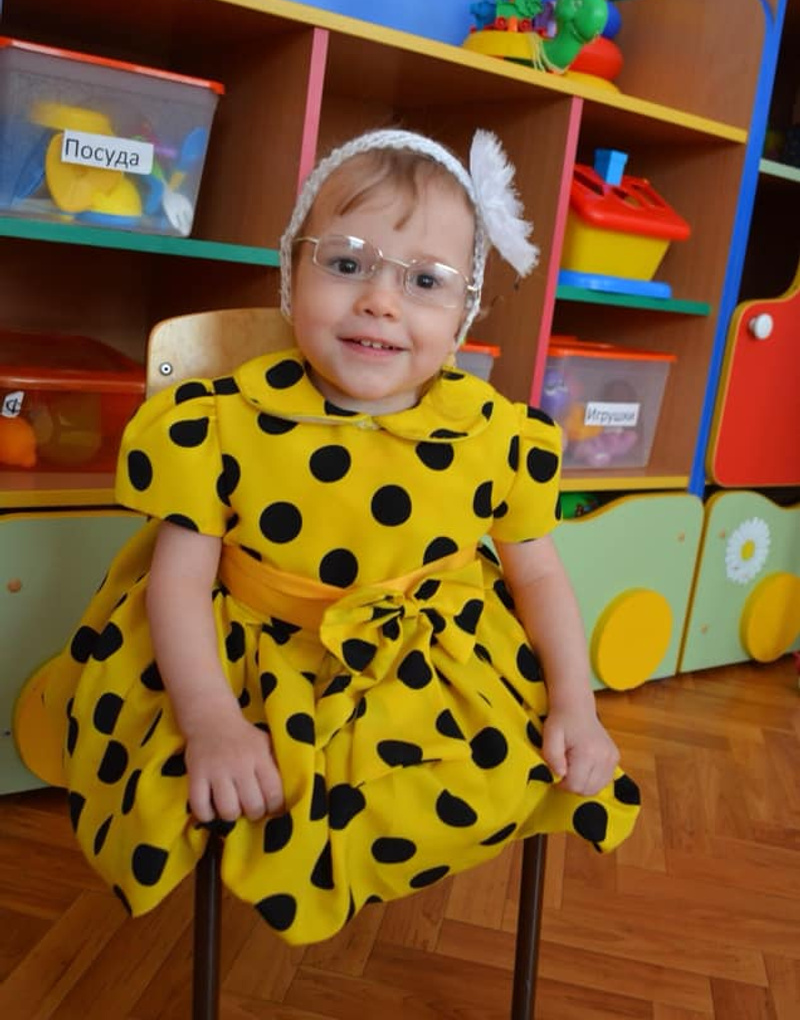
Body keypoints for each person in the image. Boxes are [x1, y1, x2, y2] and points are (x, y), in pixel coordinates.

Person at [17, 128, 640, 944]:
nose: (380, 300)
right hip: (248, 657)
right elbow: (177, 582)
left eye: (425, 280)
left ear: (464, 312)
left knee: (500, 773)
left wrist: (577, 705)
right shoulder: (220, 423)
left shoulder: (495, 434)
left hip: (433, 660)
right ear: (293, 272)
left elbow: (541, 578)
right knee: (199, 784)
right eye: (346, 264)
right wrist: (210, 719)